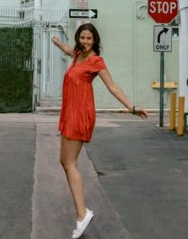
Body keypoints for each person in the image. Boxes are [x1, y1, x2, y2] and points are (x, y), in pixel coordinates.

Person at [52, 23, 149, 238]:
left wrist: (131, 108)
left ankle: (81, 214)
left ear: (95, 40)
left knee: (69, 163)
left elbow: (112, 87)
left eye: (89, 38)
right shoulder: (77, 54)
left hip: (80, 113)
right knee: (65, 162)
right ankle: (82, 213)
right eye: (82, 38)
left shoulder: (96, 61)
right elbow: (69, 50)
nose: (85, 41)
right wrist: (58, 43)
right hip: (70, 112)